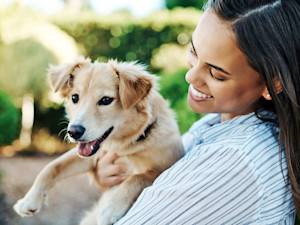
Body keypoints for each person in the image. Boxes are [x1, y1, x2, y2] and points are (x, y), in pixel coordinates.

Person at [96, 0, 300, 223]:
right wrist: (121, 181)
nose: (190, 77)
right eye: (194, 50)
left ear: (274, 84)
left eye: (217, 74)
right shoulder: (215, 124)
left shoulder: (232, 160)